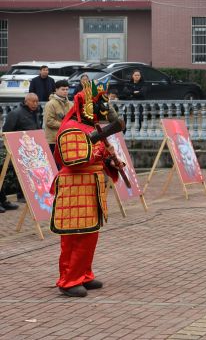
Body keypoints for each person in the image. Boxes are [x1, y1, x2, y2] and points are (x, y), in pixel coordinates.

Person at [51, 79, 123, 297]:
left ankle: (83, 274)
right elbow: (74, 160)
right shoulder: (70, 129)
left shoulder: (90, 127)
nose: (103, 109)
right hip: (74, 188)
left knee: (89, 235)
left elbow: (94, 157)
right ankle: (69, 280)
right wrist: (100, 150)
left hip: (90, 187)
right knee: (75, 237)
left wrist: (110, 162)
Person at [1, 92, 42, 211]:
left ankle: (28, 194)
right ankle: (20, 195)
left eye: (37, 101)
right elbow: (6, 131)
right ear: (26, 101)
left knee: (30, 172)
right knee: (19, 172)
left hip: (31, 148)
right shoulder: (15, 113)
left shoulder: (35, 112)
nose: (36, 104)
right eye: (33, 101)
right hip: (18, 148)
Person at [44, 80, 72, 154]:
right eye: (63, 89)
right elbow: (49, 121)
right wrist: (65, 125)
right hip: (53, 140)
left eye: (67, 89)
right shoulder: (50, 104)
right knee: (55, 163)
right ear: (56, 90)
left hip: (67, 138)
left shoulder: (71, 104)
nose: (65, 91)